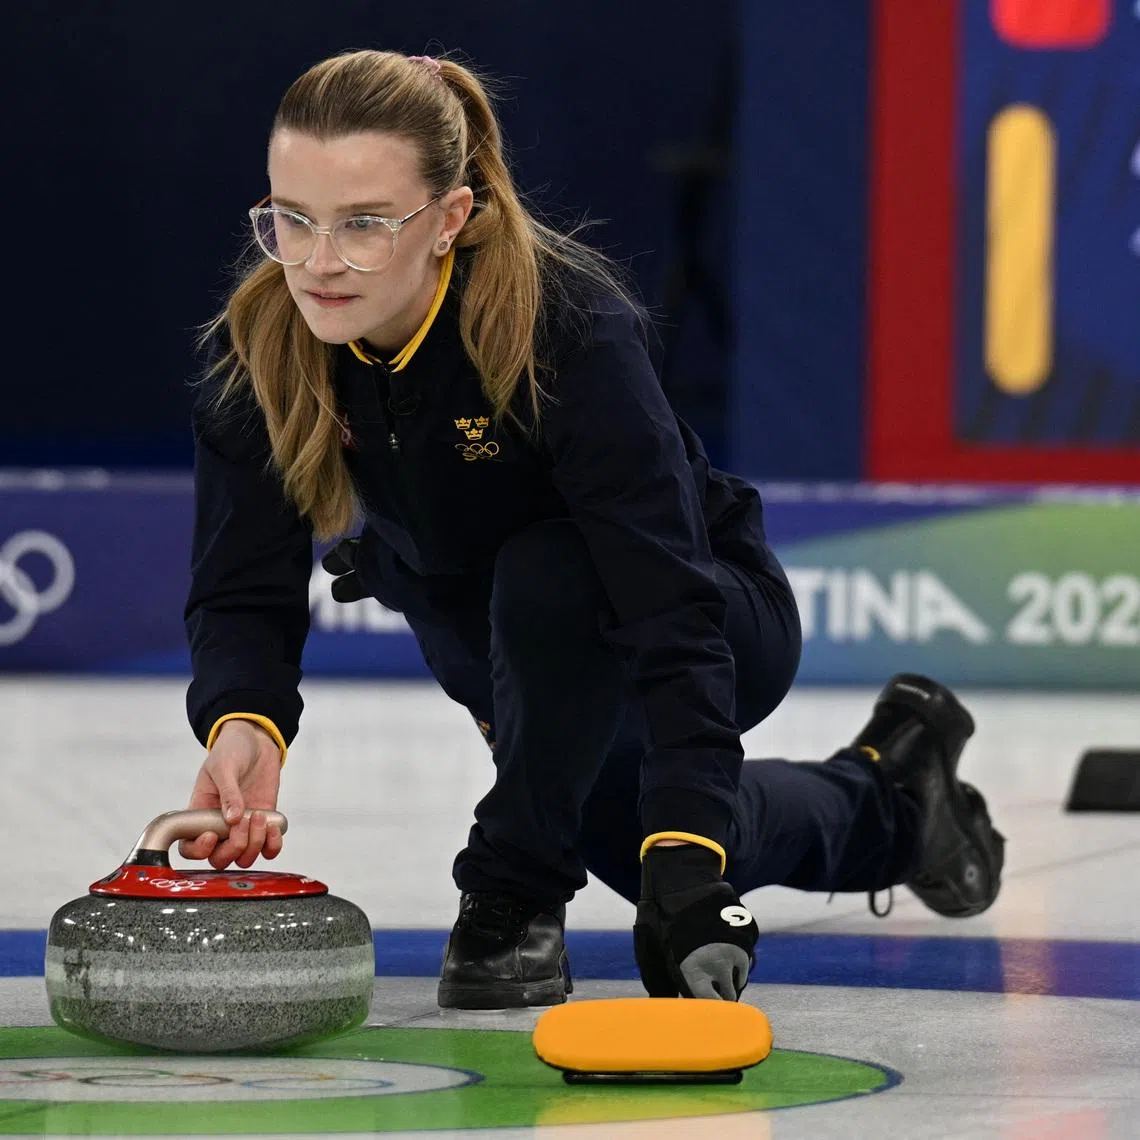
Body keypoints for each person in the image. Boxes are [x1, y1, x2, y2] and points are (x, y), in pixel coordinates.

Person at [179, 49, 1005, 1009]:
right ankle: (895, 798)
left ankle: (511, 884)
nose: (320, 261)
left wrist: (686, 856)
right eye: (293, 218)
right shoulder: (267, 342)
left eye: (365, 223)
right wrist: (246, 723)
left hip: (705, 614)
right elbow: (242, 583)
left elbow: (667, 597)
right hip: (508, 653)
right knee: (632, 842)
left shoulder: (563, 326)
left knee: (562, 594)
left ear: (450, 217)